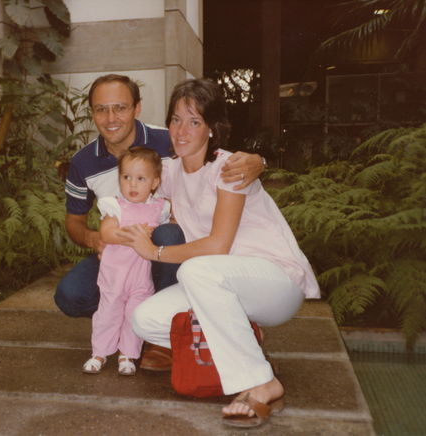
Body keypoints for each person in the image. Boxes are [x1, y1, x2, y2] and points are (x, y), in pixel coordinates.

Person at [120, 78, 320, 428]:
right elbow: (131, 169)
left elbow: (218, 245)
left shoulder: (231, 168)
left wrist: (154, 251)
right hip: (223, 286)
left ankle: (260, 382)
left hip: (273, 281)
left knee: (196, 269)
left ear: (212, 128)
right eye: (176, 119)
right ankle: (243, 337)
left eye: (194, 121)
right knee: (144, 319)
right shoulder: (169, 171)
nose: (182, 131)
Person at [55, 73, 266, 370]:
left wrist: (259, 161)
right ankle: (125, 320)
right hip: (119, 252)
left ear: (137, 108)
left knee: (168, 232)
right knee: (69, 295)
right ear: (92, 113)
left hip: (166, 248)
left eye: (121, 107)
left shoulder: (167, 139)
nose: (111, 117)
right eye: (101, 109)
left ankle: (161, 337)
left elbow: (214, 152)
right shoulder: (82, 162)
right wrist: (94, 239)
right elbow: (74, 222)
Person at [82, 147, 170, 376]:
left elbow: (171, 231)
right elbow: (107, 234)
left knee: (134, 312)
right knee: (109, 311)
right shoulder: (115, 206)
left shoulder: (160, 208)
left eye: (141, 179)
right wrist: (136, 234)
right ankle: (99, 352)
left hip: (141, 275)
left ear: (154, 182)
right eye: (126, 177)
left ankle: (127, 354)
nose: (132, 185)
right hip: (115, 274)